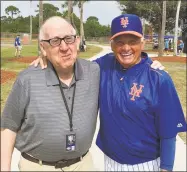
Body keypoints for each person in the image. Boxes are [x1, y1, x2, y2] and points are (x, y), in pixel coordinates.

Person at [29, 15, 168, 171]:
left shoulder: (157, 77)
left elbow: (168, 131)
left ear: (142, 43)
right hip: (110, 159)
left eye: (133, 42)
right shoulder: (102, 66)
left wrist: (166, 167)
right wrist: (47, 55)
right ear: (112, 44)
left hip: (146, 163)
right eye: (120, 42)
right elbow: (70, 60)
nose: (126, 48)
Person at [1, 16, 100, 171]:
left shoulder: (94, 71)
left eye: (68, 38)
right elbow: (9, 127)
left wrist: (150, 64)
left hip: (82, 164)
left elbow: (125, 57)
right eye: (55, 41)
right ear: (43, 47)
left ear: (77, 40)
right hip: (38, 166)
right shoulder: (28, 79)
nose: (64, 47)